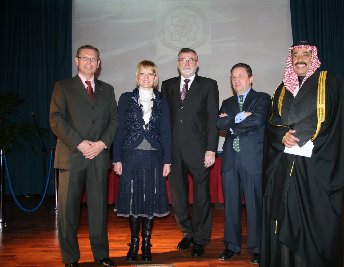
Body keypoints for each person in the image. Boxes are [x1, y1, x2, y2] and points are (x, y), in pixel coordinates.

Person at [260, 41, 344, 267]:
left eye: (305, 53)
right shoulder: (281, 88)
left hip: (315, 166)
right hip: (284, 165)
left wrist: (302, 136)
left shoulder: (330, 82)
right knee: (284, 215)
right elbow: (271, 121)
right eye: (296, 54)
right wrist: (282, 134)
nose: (300, 58)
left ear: (313, 57)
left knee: (316, 224)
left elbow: (337, 122)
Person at [49, 45, 117, 267]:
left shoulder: (107, 89)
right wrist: (79, 143)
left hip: (98, 156)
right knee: (68, 211)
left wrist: (101, 143)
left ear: (99, 64)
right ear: (77, 61)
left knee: (98, 210)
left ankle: (101, 255)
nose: (89, 62)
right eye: (85, 58)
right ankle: (70, 258)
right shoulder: (63, 86)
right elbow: (56, 119)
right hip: (72, 156)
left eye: (93, 59)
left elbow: (114, 121)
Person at [161, 48, 219, 257]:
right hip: (174, 152)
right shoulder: (167, 85)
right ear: (177, 63)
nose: (187, 63)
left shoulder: (209, 85)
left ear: (197, 63)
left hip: (199, 151)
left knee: (202, 196)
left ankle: (201, 238)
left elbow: (213, 120)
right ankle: (187, 233)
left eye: (191, 60)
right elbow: (164, 121)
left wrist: (211, 149)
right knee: (178, 196)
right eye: (183, 60)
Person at [112, 60, 172, 263]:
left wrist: (167, 160)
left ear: (156, 78)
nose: (146, 77)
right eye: (142, 73)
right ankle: (134, 243)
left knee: (149, 200)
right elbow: (119, 130)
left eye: (151, 74)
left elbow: (166, 132)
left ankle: (146, 243)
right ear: (137, 76)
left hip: (154, 156)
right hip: (131, 156)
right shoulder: (126, 98)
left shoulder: (162, 101)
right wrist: (117, 158)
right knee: (132, 199)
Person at [216, 63, 271, 265]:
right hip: (230, 161)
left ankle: (257, 249)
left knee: (255, 206)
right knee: (230, 206)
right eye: (233, 77)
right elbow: (218, 123)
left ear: (251, 78)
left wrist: (231, 123)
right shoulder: (227, 102)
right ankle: (231, 246)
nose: (236, 80)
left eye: (240, 75)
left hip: (253, 160)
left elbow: (257, 120)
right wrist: (240, 117)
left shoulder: (262, 98)